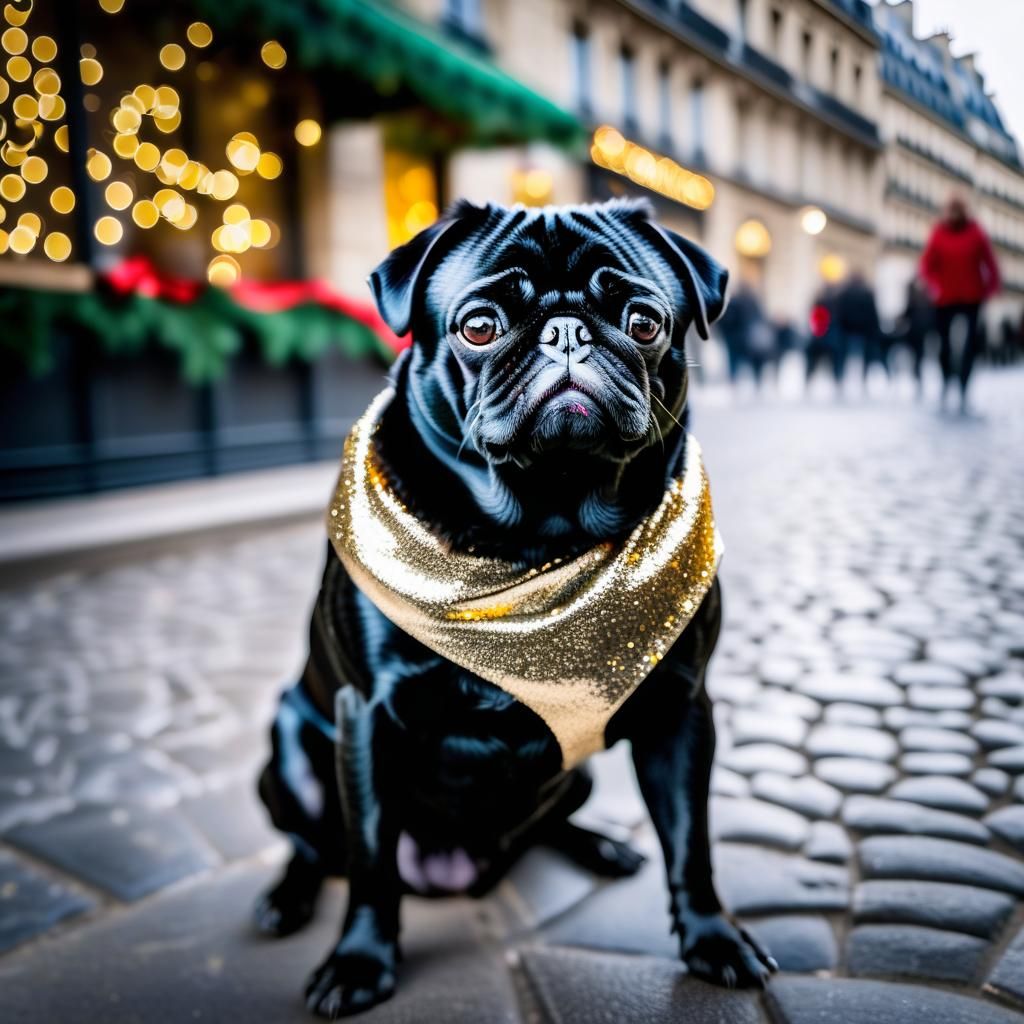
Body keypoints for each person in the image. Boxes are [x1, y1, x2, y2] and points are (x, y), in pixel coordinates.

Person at [920, 195, 1000, 413]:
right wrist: (933, 285)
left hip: (971, 295)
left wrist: (991, 287)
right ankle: (946, 380)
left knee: (970, 345)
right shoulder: (939, 233)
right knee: (943, 344)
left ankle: (964, 384)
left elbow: (990, 262)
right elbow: (927, 265)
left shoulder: (976, 233)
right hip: (945, 297)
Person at [834, 270, 887, 390]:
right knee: (865, 356)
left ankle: (840, 378)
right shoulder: (867, 293)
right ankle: (863, 379)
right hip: (863, 329)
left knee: (843, 356)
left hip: (847, 329)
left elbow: (839, 313)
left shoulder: (844, 293)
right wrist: (876, 329)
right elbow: (873, 313)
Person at [895, 276, 934, 397]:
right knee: (918, 357)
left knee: (916, 357)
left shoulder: (916, 300)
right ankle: (917, 377)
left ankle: (917, 377)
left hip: (916, 334)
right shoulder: (924, 301)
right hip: (918, 334)